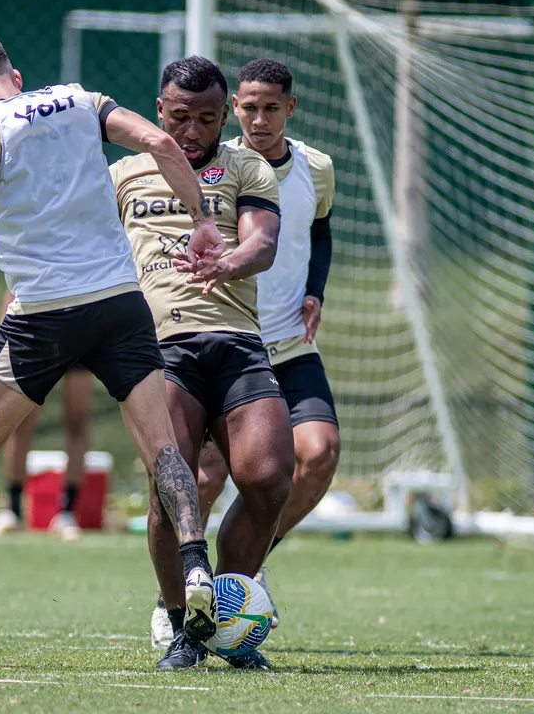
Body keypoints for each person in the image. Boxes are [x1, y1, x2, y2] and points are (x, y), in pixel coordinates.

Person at [0, 32, 223, 650]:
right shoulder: (84, 100)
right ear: (17, 74)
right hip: (120, 302)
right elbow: (163, 143)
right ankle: (196, 567)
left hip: (43, 311)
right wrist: (202, 223)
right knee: (163, 446)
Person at [111, 56, 293, 670]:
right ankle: (182, 626)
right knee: (172, 488)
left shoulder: (245, 166)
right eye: (180, 117)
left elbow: (262, 243)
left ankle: (225, 616)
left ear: (225, 117)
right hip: (158, 348)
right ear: (160, 111)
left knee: (268, 477)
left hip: (237, 341)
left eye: (208, 119)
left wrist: (227, 262)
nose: (193, 132)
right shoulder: (125, 174)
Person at [172, 58, 340, 640]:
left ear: (290, 109)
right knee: (201, 478)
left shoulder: (316, 168)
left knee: (317, 455)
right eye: (249, 107)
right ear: (232, 109)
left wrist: (315, 290)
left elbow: (318, 228)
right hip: (227, 344)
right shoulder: (209, 167)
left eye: (272, 107)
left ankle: (247, 570)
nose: (259, 118)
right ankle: (181, 606)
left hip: (289, 344)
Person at [0, 291, 93, 542]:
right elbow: (13, 287)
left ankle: (67, 513)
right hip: (36, 330)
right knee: (19, 422)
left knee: (77, 422)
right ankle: (13, 511)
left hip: (79, 330)